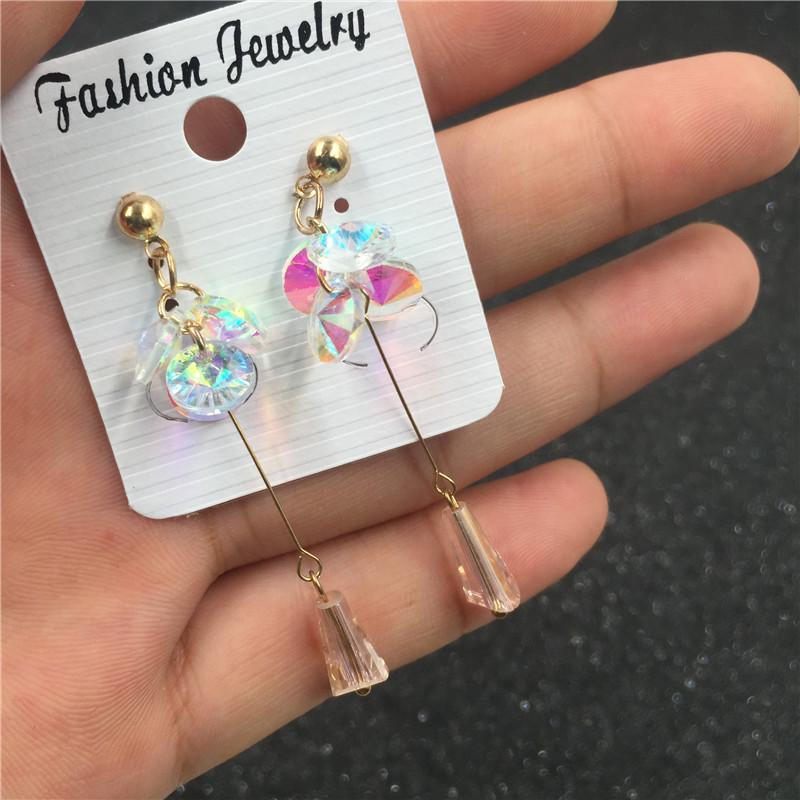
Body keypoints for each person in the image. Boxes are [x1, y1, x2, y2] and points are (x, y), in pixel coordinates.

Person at [3, 3, 798, 798]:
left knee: (415, 475)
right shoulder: (233, 316)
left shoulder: (337, 273)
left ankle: (404, 570)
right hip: (224, 369)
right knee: (320, 520)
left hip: (298, 327)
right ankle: (361, 601)